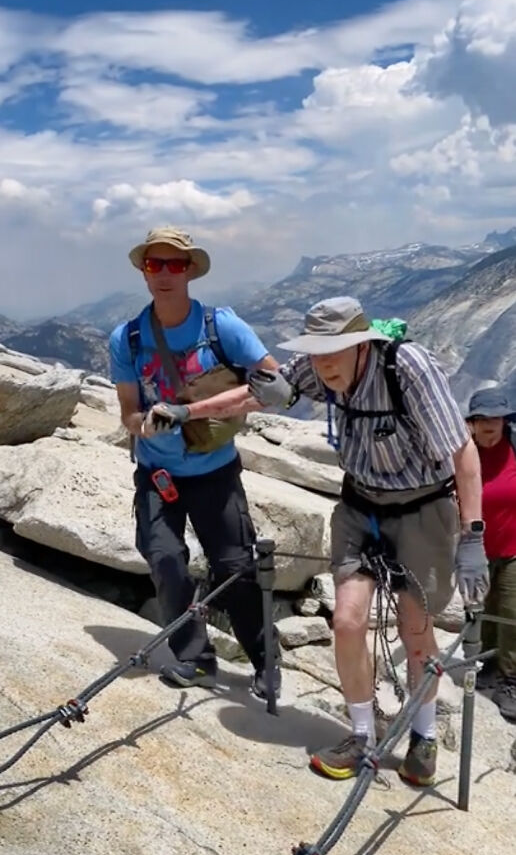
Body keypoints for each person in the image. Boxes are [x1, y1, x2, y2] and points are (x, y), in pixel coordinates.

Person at [182, 295, 488, 786]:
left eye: (334, 352)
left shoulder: (407, 368)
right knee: (346, 621)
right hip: (360, 506)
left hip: (422, 509)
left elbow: (462, 451)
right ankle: (361, 735)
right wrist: (186, 411)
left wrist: (472, 537)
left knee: (415, 630)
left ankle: (424, 738)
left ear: (361, 345)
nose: (322, 366)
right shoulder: (317, 367)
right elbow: (258, 396)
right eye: (316, 353)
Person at [109, 226, 282, 699]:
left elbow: (274, 385)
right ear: (144, 271)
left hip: (214, 471)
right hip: (157, 473)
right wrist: (142, 424)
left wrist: (195, 412)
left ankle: (265, 661)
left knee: (234, 567)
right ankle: (194, 656)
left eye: (175, 265)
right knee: (165, 560)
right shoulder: (127, 338)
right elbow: (127, 410)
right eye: (155, 264)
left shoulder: (221, 326)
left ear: (190, 271)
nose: (165, 274)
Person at [465, 387, 516, 722]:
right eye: (483, 419)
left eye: (495, 418)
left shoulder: (515, 449)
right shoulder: (461, 453)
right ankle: (486, 665)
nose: (489, 426)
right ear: (472, 422)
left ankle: (510, 680)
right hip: (475, 550)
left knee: (511, 612)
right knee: (480, 610)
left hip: (513, 549)